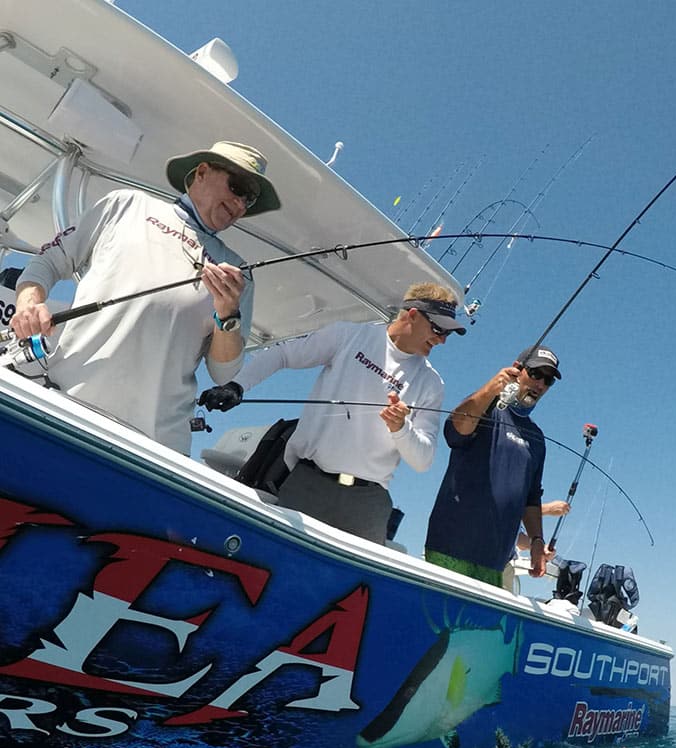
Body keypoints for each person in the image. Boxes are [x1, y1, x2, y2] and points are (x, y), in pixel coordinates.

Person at [11, 140, 280, 454]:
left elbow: (224, 372)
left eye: (250, 198)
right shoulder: (126, 205)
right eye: (238, 186)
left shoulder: (239, 273)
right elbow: (51, 259)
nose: (240, 204)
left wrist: (228, 314)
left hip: (151, 444)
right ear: (202, 172)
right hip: (62, 403)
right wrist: (29, 303)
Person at [198, 283, 465, 545]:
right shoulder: (349, 335)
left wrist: (401, 428)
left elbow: (423, 461)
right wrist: (236, 385)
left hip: (368, 504)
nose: (441, 339)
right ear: (413, 315)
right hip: (308, 484)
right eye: (438, 328)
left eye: (448, 334)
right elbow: (283, 355)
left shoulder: (431, 384)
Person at [425, 345, 561, 587]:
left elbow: (531, 498)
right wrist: (491, 389)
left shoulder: (537, 439)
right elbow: (454, 432)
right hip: (450, 546)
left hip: (495, 560)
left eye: (548, 380)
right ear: (518, 370)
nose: (540, 384)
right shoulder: (486, 408)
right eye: (536, 374)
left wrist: (537, 540)